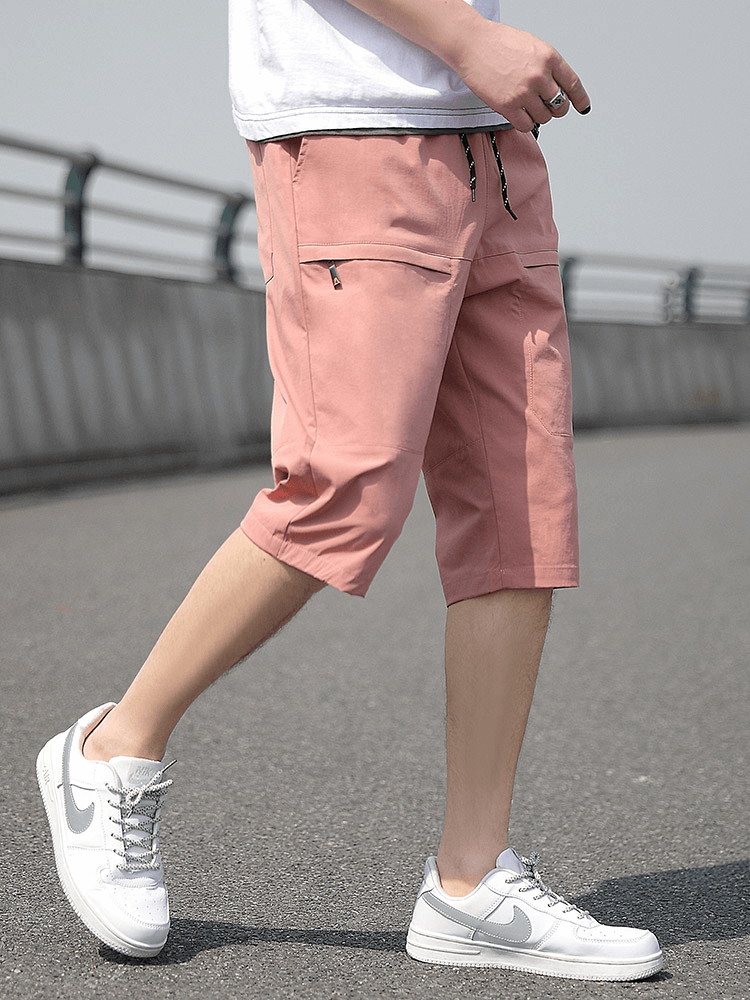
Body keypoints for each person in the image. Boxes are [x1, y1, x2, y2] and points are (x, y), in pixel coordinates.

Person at [36, 0, 663, 982]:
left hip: (495, 147)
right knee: (342, 485)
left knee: (521, 510)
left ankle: (471, 880)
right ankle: (114, 747)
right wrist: (464, 38)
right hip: (353, 132)